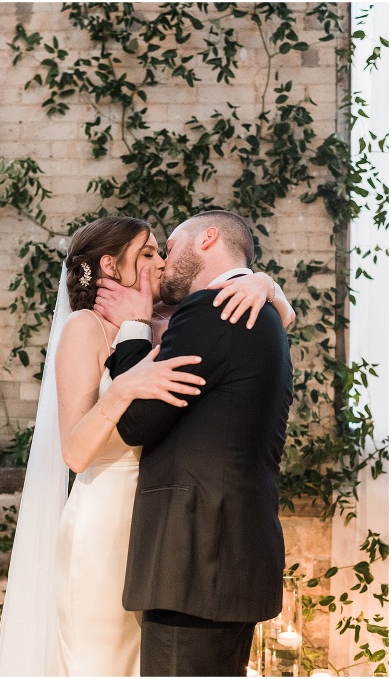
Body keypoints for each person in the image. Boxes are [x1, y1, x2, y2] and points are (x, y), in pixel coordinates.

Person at [0, 215, 295, 676]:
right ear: (112, 267)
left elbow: (239, 326)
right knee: (101, 661)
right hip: (107, 527)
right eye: (149, 253)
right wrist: (120, 390)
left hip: (166, 538)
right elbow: (74, 452)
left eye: (162, 250)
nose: (162, 262)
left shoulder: (172, 322)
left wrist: (264, 283)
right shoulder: (85, 329)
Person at [99, 210, 293, 676]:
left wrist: (131, 329)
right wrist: (272, 288)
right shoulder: (261, 313)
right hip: (231, 560)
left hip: (195, 559)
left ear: (207, 238)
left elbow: (137, 421)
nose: (165, 258)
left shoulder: (212, 309)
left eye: (171, 242)